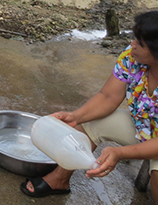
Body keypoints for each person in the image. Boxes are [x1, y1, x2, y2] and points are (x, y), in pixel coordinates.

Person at [21, 11, 158, 201]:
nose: (132, 44)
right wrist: (76, 116)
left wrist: (119, 153)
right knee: (89, 123)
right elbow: (108, 97)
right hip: (144, 129)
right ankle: (60, 179)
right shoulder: (132, 58)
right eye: (135, 39)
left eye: (140, 43)